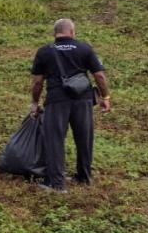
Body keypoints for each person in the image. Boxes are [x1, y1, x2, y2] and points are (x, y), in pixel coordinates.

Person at [30, 18, 111, 191]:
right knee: (84, 138)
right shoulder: (84, 48)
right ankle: (84, 177)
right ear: (72, 32)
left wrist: (34, 103)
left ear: (55, 33)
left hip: (57, 101)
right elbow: (100, 76)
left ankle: (57, 184)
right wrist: (106, 97)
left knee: (55, 140)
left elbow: (38, 82)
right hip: (83, 100)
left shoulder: (45, 51)